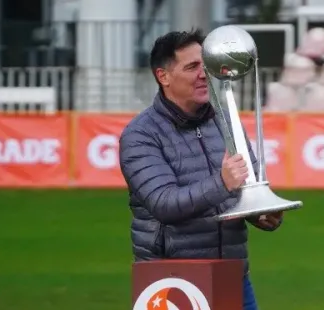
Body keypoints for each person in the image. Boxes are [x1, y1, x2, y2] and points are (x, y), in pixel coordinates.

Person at [118, 29, 283, 310]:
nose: (204, 74)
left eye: (205, 65)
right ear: (163, 76)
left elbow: (245, 188)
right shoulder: (140, 135)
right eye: (192, 67)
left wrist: (261, 213)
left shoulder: (226, 120)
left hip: (233, 275)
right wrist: (221, 182)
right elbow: (164, 204)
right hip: (173, 282)